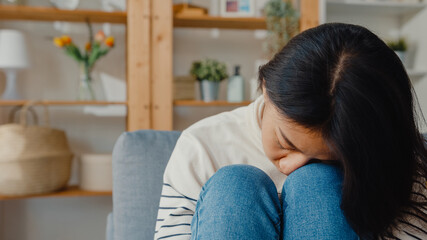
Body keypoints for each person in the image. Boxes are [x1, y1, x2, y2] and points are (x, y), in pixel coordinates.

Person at [154, 23, 427, 240]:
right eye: (286, 141)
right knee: (235, 185)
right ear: (265, 87)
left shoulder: (398, 161)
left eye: (326, 159)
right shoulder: (202, 146)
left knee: (317, 184)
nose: (290, 166)